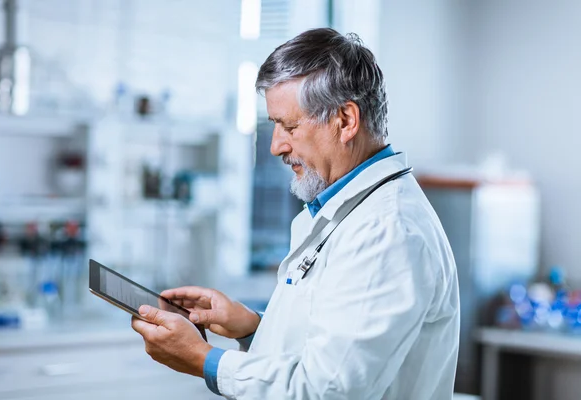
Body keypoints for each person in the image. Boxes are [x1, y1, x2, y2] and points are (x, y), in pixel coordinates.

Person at [132, 27, 460, 399]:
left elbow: (327, 389)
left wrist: (203, 359)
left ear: (346, 121)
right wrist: (251, 328)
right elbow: (332, 350)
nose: (275, 146)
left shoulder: (386, 230)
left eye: (289, 126)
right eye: (273, 126)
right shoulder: (346, 211)